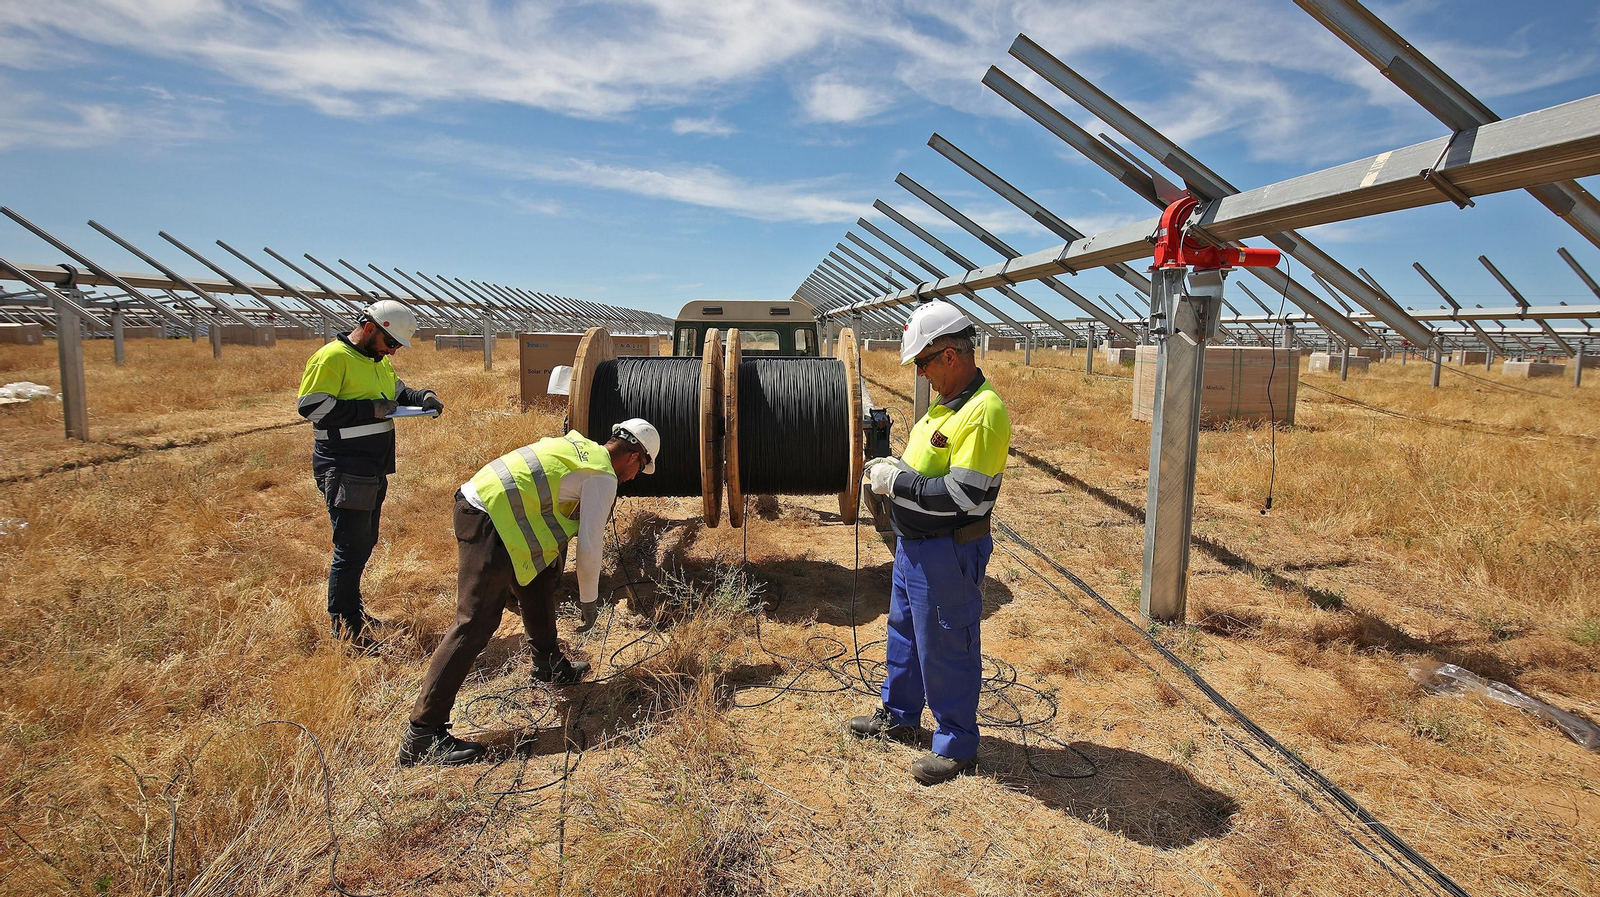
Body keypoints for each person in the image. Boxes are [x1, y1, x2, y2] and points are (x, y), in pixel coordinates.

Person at [398, 418, 660, 766]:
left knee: (539, 579)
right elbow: (590, 547)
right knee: (475, 621)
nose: (635, 477)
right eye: (641, 468)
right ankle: (423, 734)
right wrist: (589, 599)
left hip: (491, 511)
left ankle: (548, 664)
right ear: (633, 456)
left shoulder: (581, 448)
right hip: (487, 517)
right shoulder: (603, 476)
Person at [850, 301, 1011, 785]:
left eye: (922, 362)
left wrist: (897, 484)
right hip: (914, 548)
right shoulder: (944, 408)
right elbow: (927, 472)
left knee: (946, 643)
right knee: (904, 633)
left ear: (950, 356)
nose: (919, 373)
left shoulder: (983, 412)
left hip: (948, 549)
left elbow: (963, 499)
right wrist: (897, 469)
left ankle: (956, 743)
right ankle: (899, 715)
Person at [297, 300, 443, 648]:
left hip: (372, 467)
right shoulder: (332, 357)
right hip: (345, 466)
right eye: (390, 343)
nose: (392, 352)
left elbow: (398, 393)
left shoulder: (376, 361)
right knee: (350, 547)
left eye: (396, 347)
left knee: (364, 543)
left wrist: (425, 396)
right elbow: (312, 406)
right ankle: (346, 627)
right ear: (370, 328)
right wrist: (371, 409)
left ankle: (352, 612)